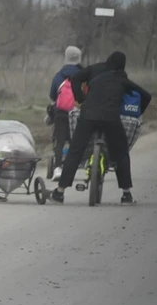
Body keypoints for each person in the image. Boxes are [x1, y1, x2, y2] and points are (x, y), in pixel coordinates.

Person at [49, 51, 151, 205]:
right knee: (121, 153)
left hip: (88, 116)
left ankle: (59, 193)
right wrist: (137, 113)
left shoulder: (94, 69)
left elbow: (75, 78)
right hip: (111, 119)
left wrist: (80, 99)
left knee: (75, 151)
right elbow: (146, 95)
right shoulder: (121, 78)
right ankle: (126, 195)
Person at [48, 46, 84, 180]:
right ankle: (81, 162)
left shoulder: (59, 76)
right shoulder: (85, 75)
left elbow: (53, 96)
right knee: (80, 138)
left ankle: (58, 167)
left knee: (60, 140)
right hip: (80, 114)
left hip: (61, 114)